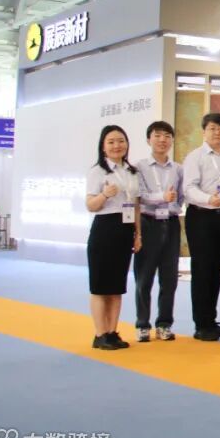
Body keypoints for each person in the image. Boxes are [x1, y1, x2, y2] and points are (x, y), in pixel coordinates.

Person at [85, 125, 142, 351]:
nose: (117, 145)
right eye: (111, 142)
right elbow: (90, 205)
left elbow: (135, 205)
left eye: (121, 141)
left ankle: (112, 332)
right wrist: (104, 194)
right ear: (103, 146)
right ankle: (100, 334)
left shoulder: (131, 171)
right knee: (101, 286)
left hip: (125, 229)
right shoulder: (98, 171)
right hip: (105, 228)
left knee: (117, 286)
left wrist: (138, 234)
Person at [182, 112, 220, 342]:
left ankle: (211, 319)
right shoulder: (195, 157)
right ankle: (201, 324)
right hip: (201, 216)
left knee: (216, 269)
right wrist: (207, 199)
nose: (217, 133)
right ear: (204, 131)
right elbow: (189, 188)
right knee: (202, 269)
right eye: (213, 128)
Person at [134, 121, 183, 342]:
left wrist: (173, 204)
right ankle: (142, 324)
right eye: (158, 135)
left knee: (169, 278)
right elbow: (140, 196)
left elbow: (181, 196)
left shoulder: (178, 169)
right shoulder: (139, 167)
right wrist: (162, 197)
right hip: (148, 223)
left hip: (171, 223)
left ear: (172, 140)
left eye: (167, 136)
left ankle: (164, 323)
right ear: (148, 139)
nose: (162, 140)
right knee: (144, 277)